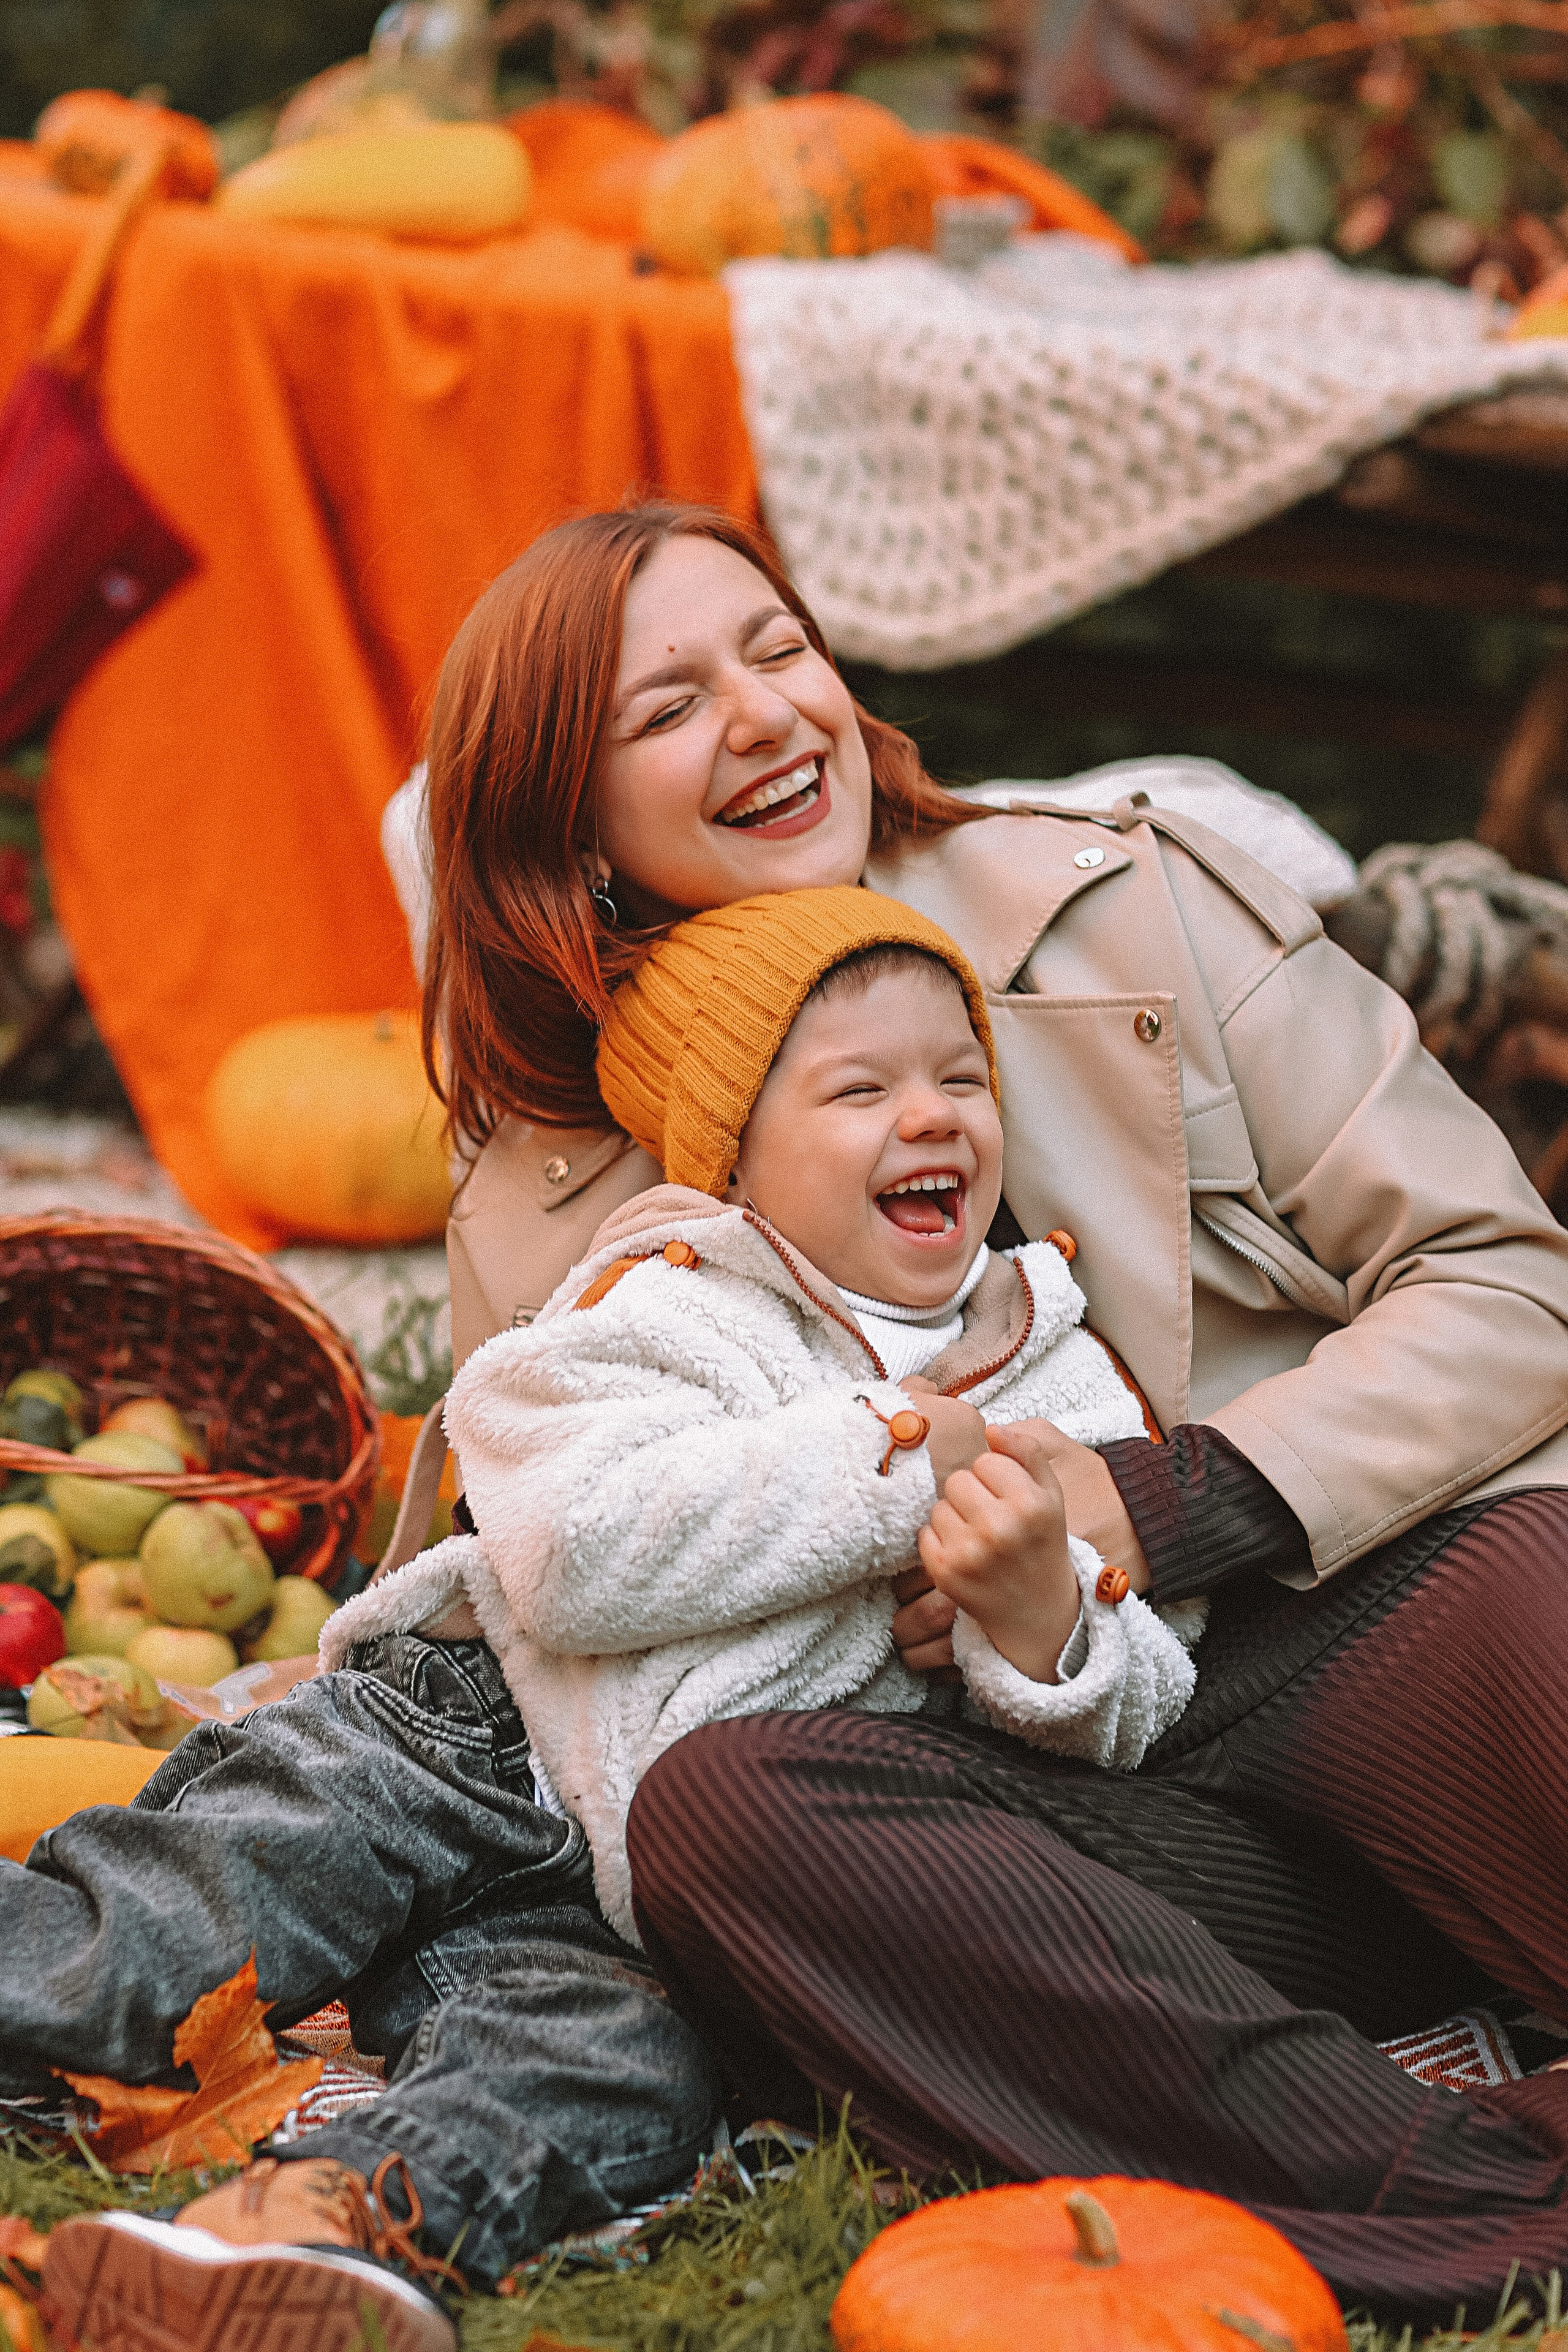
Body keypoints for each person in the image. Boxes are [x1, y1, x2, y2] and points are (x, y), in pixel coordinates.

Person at [17, 494, 1568, 2343]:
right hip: (1035, 1815)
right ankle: (1446, 2191)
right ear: (561, 823)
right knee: (715, 1816)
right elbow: (546, 1624)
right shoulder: (551, 1185)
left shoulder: (1118, 900)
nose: (761, 717)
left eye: (776, 651)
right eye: (662, 708)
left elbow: (1510, 1278)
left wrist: (1181, 1498)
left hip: (1332, 1639)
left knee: (1528, 1565)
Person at [325, 887, 1202, 1942]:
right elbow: (566, 1552)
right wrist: (900, 1455)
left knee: (591, 2084)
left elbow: (1157, 1696)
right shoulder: (678, 1301)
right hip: (472, 1727)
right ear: (737, 1154)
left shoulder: (1059, 1372)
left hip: (684, 1877)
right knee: (231, 1862)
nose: (932, 1115)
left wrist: (1039, 1619)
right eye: (860, 1090)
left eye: (964, 1079)